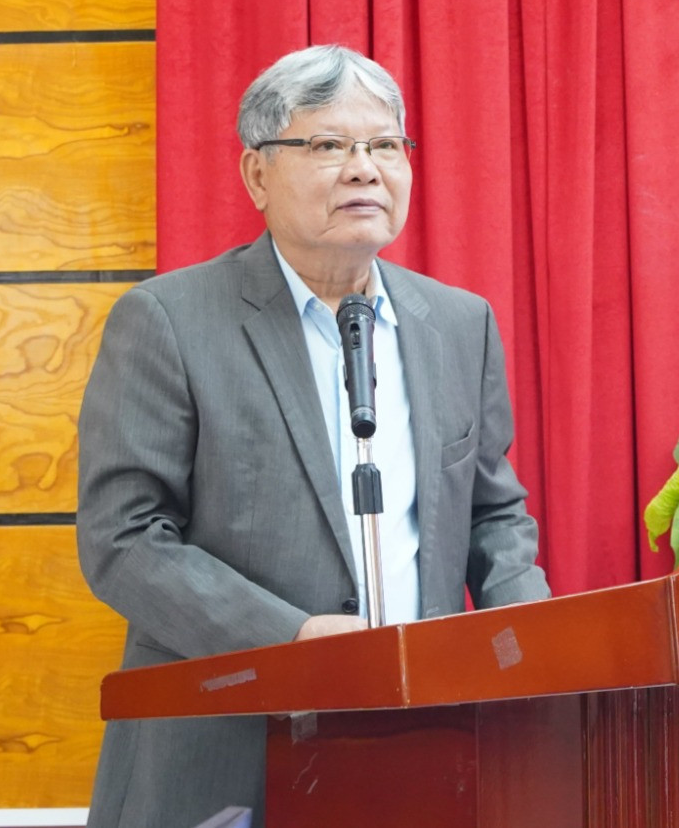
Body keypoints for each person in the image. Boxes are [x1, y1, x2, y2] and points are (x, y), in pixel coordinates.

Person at [76, 45, 549, 828]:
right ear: (257, 175)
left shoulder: (459, 323)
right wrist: (293, 638)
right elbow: (123, 540)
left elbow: (493, 516)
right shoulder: (170, 321)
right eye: (329, 145)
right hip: (226, 754)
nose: (365, 169)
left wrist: (533, 645)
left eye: (385, 145)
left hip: (422, 749)